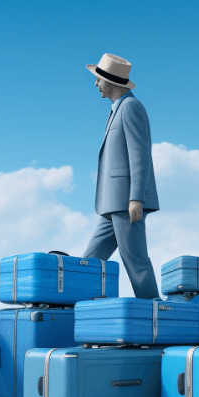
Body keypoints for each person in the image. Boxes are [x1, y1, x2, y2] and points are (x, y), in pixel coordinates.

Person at [82, 53, 160, 299]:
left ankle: (155, 309)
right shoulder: (117, 109)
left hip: (126, 202)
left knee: (135, 260)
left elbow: (140, 155)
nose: (96, 84)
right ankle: (71, 305)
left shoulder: (131, 107)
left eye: (98, 79)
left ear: (111, 81)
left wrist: (136, 197)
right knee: (89, 261)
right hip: (112, 203)